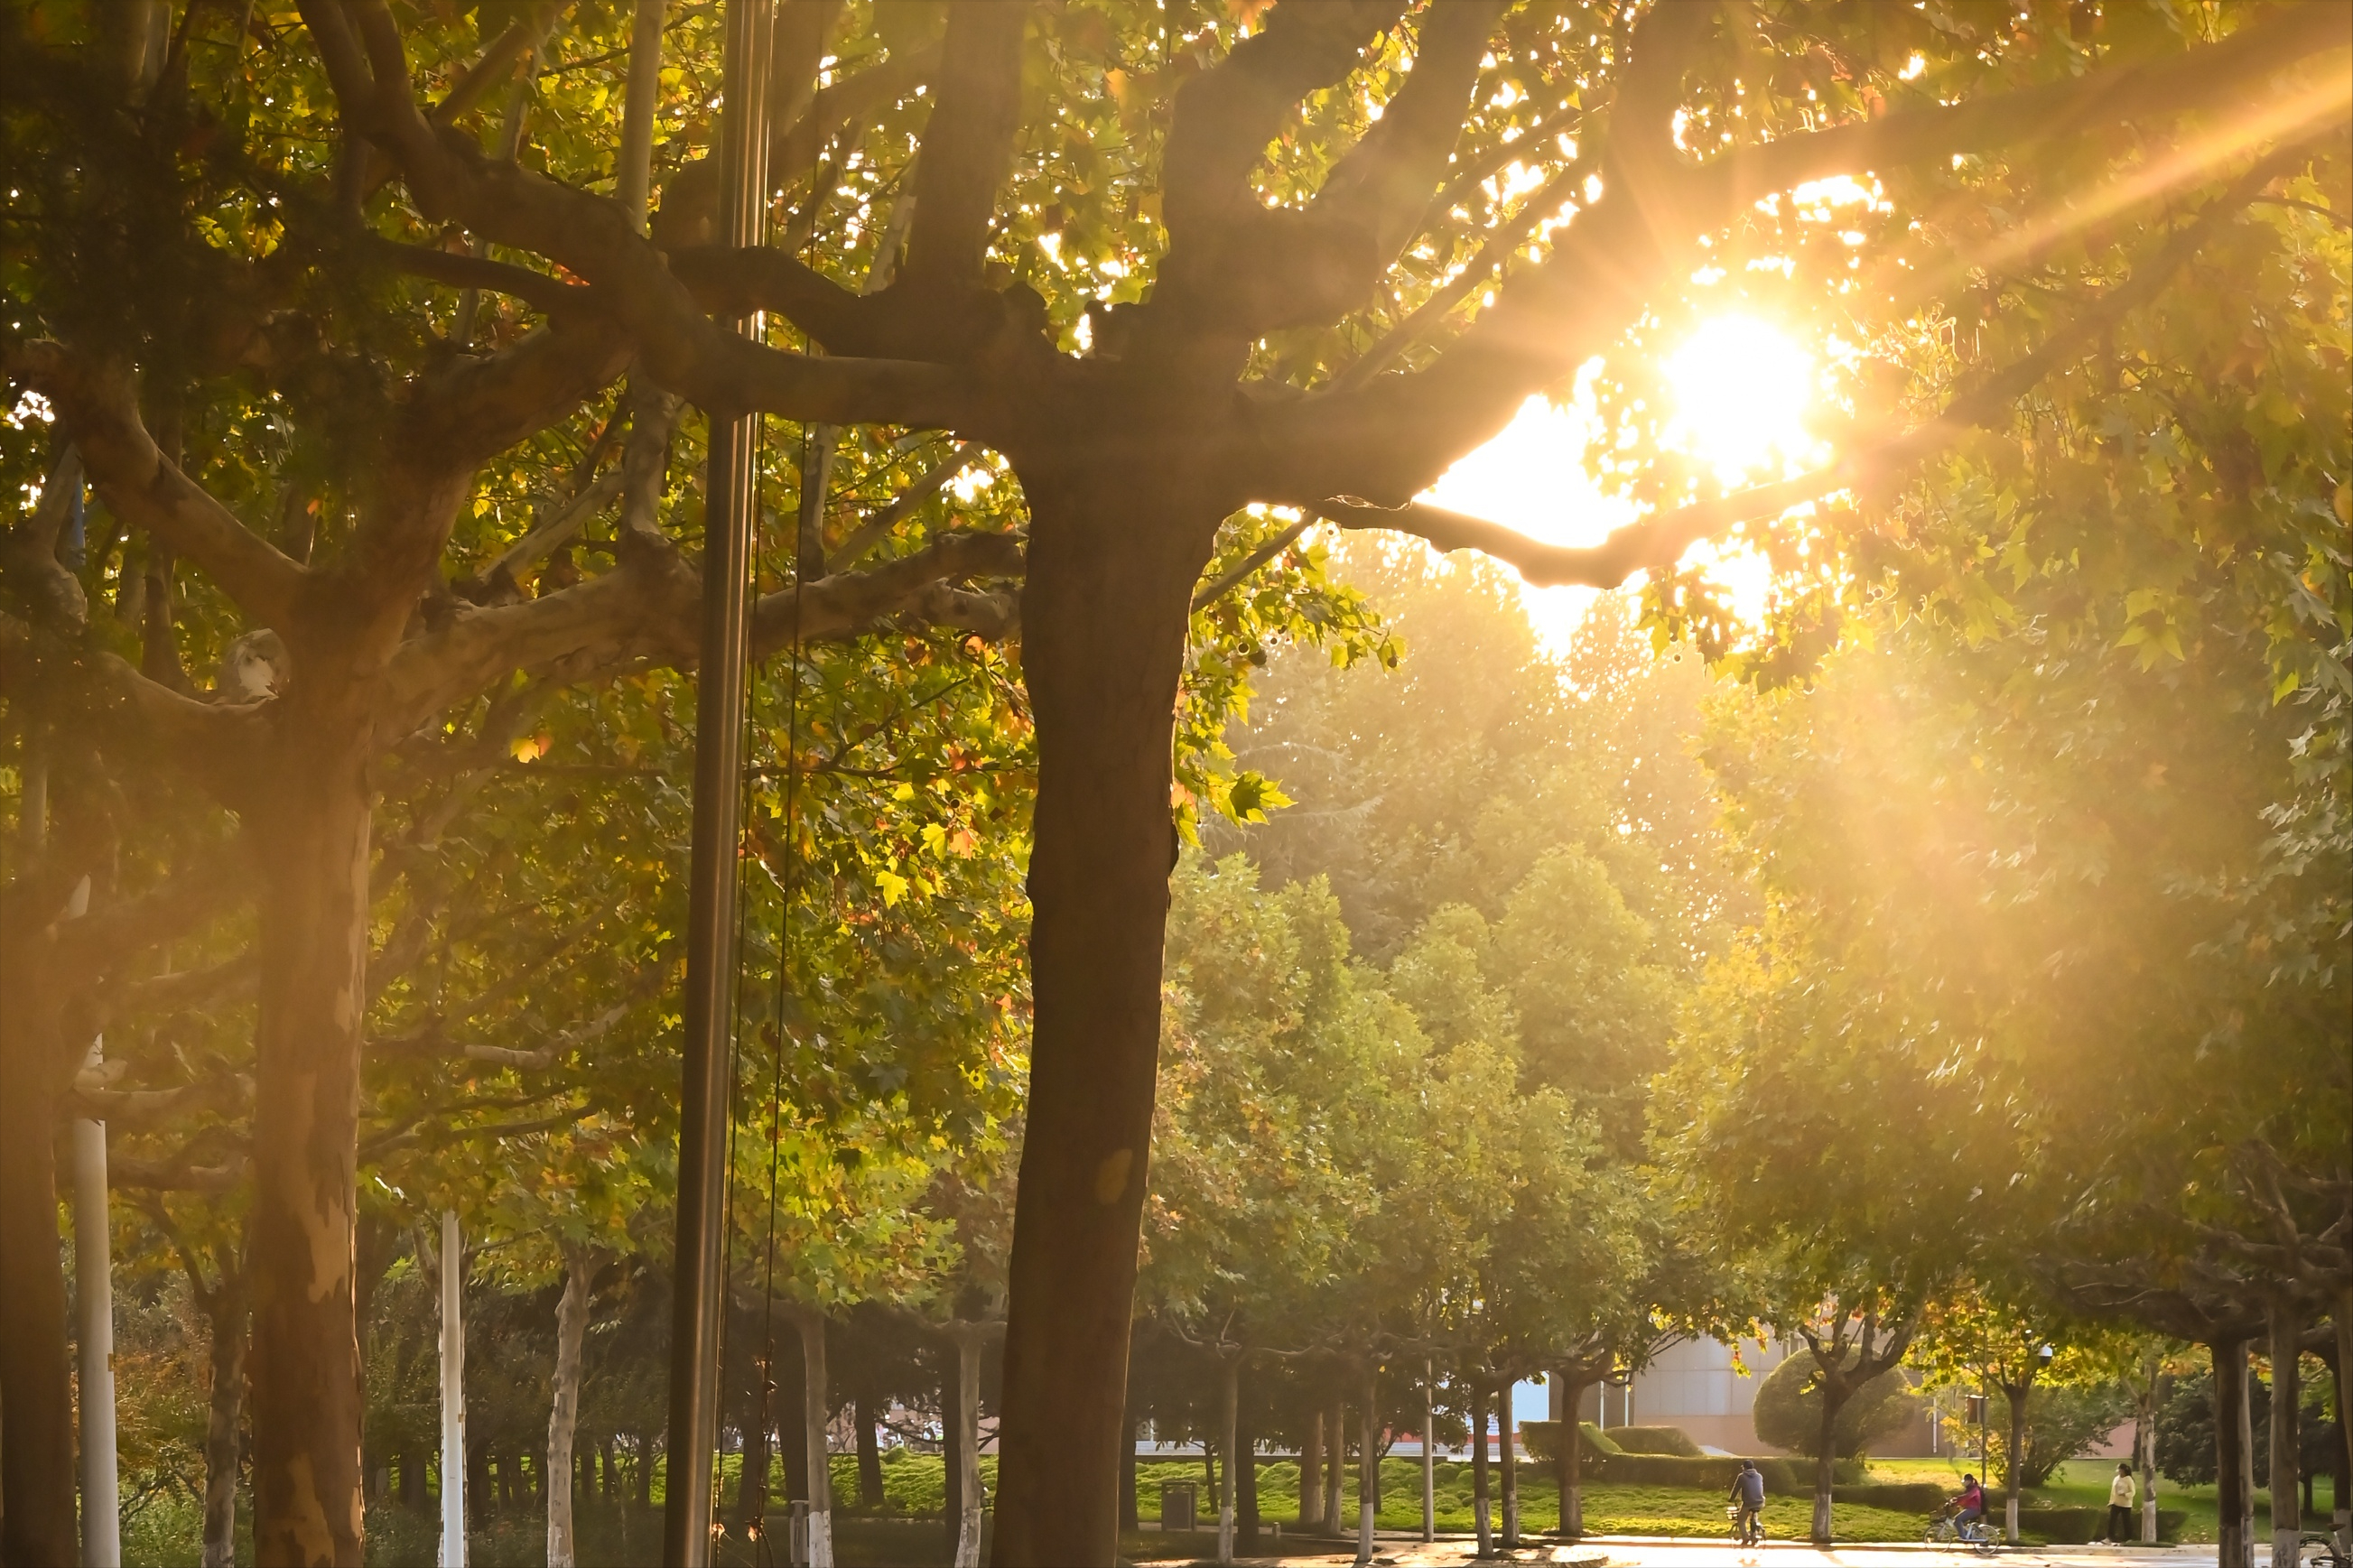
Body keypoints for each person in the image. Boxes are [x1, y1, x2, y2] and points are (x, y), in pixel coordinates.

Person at [1728, 1459, 1766, 1545]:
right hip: (1760, 1502)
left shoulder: (1742, 1476)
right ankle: (1754, 1536)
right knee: (1754, 1517)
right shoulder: (1759, 1476)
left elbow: (1736, 1489)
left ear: (1744, 1468)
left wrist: (1731, 1498)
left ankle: (1745, 1537)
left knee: (1741, 1520)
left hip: (1748, 1503)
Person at [1949, 1473, 1988, 1540]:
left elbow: (1968, 1496)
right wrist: (1955, 1503)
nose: (1964, 1482)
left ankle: (1963, 1536)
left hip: (1974, 1509)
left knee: (1958, 1519)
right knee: (1956, 1521)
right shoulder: (1968, 1489)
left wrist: (1957, 1498)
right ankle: (1968, 1536)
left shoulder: (1974, 1489)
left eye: (1965, 1480)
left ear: (1970, 1481)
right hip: (1970, 1509)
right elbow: (1964, 1500)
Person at [2105, 1461, 2136, 1542]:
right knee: (2112, 1520)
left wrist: (2125, 1494)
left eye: (2120, 1471)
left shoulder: (2129, 1480)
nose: (2119, 1473)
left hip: (2125, 1504)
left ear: (2123, 1471)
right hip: (2116, 1503)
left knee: (2126, 1521)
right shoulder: (2116, 1479)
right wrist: (2111, 1501)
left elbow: (2133, 1492)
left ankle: (2128, 1538)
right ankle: (2110, 1537)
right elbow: (2113, 1491)